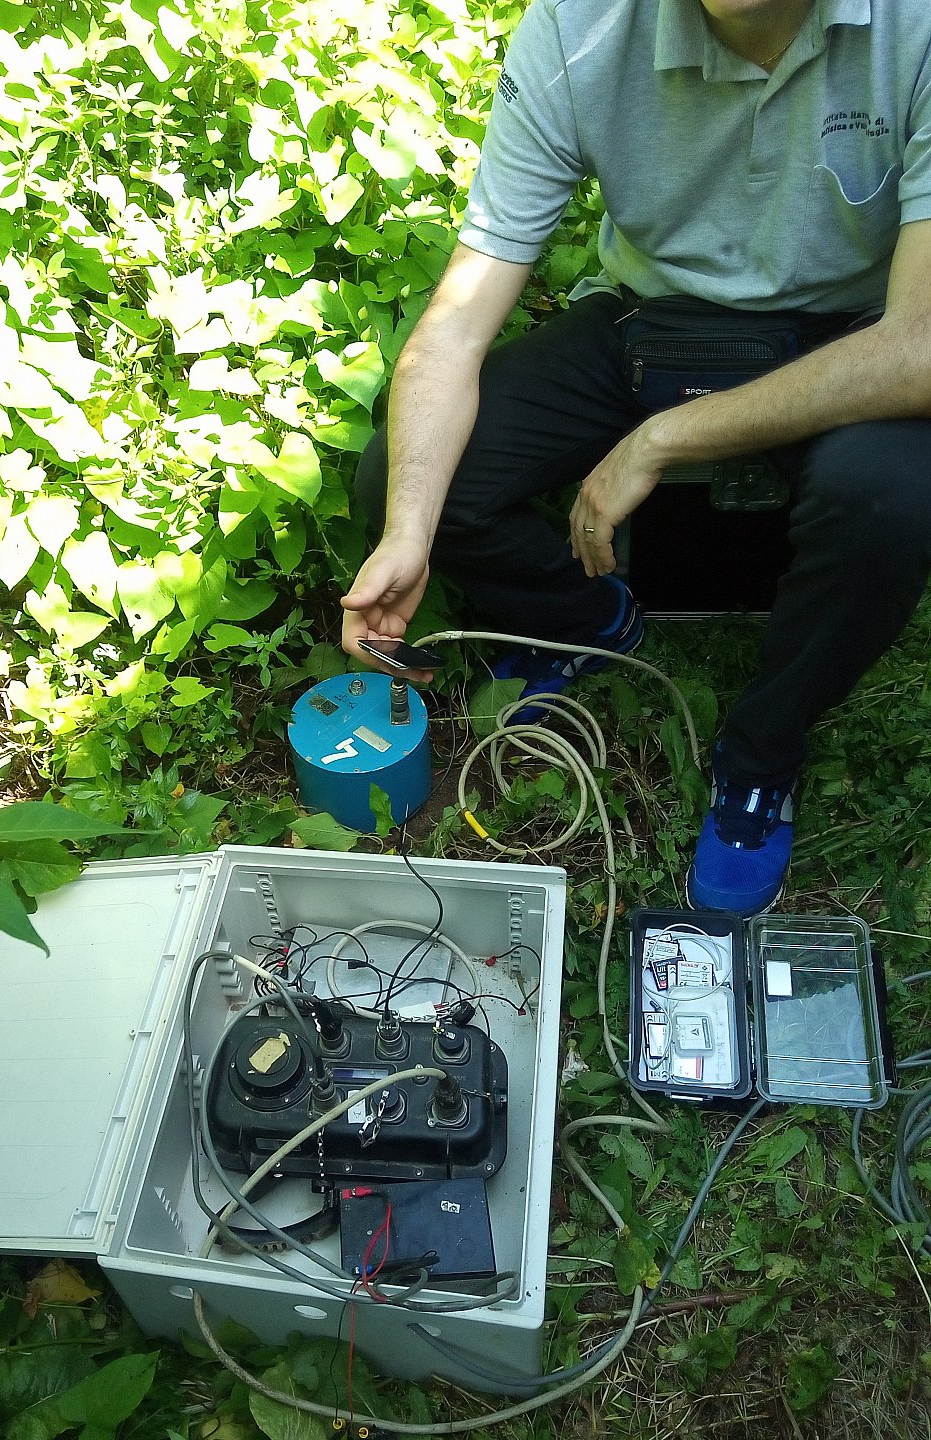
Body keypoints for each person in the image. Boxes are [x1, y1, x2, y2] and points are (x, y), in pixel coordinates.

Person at [339, 0, 931, 915]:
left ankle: (761, 753)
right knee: (403, 478)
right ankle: (586, 622)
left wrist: (661, 438)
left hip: (853, 336)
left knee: (892, 501)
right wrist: (408, 533)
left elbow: (920, 347)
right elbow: (455, 325)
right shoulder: (580, 27)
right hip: (653, 322)